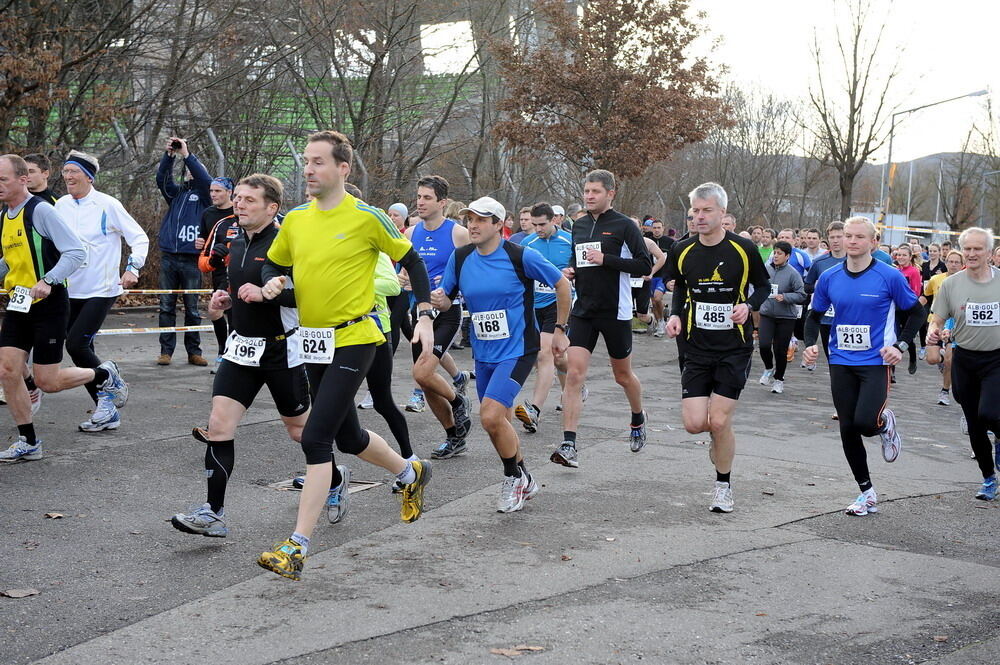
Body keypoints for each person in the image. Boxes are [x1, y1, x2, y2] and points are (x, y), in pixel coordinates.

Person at [254, 131, 434, 580]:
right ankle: (411, 472)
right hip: (313, 338)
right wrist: (274, 281)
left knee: (316, 438)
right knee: (350, 439)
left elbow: (411, 260)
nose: (308, 170)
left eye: (317, 162)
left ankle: (297, 546)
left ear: (342, 169)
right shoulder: (295, 220)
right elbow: (273, 262)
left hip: (356, 336)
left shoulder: (367, 217)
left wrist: (426, 311)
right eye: (306, 162)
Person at [171, 175, 310, 537]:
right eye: (238, 199)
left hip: (281, 348)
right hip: (241, 347)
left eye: (250, 200)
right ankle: (213, 512)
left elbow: (309, 297)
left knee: (300, 431)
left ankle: (331, 475)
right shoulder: (234, 240)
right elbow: (238, 287)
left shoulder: (289, 242)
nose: (240, 205)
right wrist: (226, 299)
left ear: (272, 207)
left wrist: (268, 295)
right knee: (218, 425)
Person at [433, 197, 572, 512]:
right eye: (470, 219)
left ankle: (512, 478)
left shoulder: (520, 255)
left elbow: (562, 285)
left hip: (519, 349)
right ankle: (524, 476)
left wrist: (561, 329)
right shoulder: (461, 257)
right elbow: (447, 300)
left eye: (481, 220)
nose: (473, 225)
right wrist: (438, 299)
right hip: (484, 353)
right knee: (499, 423)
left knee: (491, 416)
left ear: (499, 224)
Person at [0, 154, 128, 462]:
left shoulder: (41, 210)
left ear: (22, 179)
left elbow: (75, 252)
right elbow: (10, 260)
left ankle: (102, 373)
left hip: (50, 303)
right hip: (19, 302)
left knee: (48, 381)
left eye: (3, 179)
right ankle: (28, 441)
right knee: (7, 370)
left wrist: (49, 279)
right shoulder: (4, 215)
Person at [802, 217, 924, 516]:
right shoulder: (829, 277)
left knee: (865, 423)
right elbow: (813, 316)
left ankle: (884, 424)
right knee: (847, 427)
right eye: (847, 236)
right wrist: (809, 345)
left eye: (859, 236)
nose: (852, 241)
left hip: (875, 361)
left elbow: (917, 314)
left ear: (873, 242)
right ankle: (866, 493)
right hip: (840, 359)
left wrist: (901, 346)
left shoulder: (889, 276)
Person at [665, 182, 771, 513]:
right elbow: (680, 288)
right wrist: (674, 316)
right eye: (694, 211)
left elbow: (764, 285)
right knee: (696, 424)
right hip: (695, 346)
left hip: (733, 347)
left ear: (722, 213)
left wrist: (748, 305)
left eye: (706, 210)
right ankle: (718, 437)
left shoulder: (743, 249)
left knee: (720, 421)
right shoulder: (682, 250)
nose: (698, 217)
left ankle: (722, 486)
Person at [550, 169, 652, 469]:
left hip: (615, 311)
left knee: (622, 376)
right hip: (584, 310)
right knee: (575, 375)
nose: (589, 196)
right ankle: (569, 444)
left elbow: (643, 265)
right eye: (586, 191)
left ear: (610, 193)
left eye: (595, 191)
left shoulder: (623, 226)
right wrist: (571, 270)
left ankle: (637, 417)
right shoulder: (579, 226)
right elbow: (577, 258)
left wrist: (606, 260)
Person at [55, 151, 148, 432]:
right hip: (69, 289)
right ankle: (105, 407)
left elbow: (139, 237)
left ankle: (109, 377)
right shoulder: (60, 205)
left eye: (73, 172)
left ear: (88, 176)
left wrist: (133, 267)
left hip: (101, 288)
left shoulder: (108, 205)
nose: (68, 177)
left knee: (76, 345)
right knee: (84, 350)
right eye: (65, 172)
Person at [928, 227, 1000, 501]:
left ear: (990, 252)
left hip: (996, 358)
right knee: (973, 422)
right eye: (967, 248)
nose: (971, 253)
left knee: (990, 413)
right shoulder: (951, 284)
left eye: (977, 248)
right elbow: (936, 319)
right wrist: (935, 333)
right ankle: (988, 478)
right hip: (964, 358)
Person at [405, 175, 473, 459]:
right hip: (418, 313)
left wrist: (448, 287)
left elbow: (472, 269)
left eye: (427, 197)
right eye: (419, 197)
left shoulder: (457, 233)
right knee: (425, 380)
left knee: (422, 372)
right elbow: (403, 273)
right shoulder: (410, 234)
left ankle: (459, 401)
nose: (420, 202)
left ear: (442, 203)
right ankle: (453, 436)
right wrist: (403, 279)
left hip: (446, 312)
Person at [516, 202, 575, 432]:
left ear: (554, 220)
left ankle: (535, 410)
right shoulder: (527, 243)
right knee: (559, 356)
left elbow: (580, 267)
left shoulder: (568, 241)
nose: (538, 228)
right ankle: (572, 386)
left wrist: (573, 272)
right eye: (535, 224)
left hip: (558, 304)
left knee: (545, 353)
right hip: (534, 304)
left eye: (542, 224)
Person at [155, 137, 211, 367]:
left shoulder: (207, 197)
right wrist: (169, 156)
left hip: (191, 260)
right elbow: (162, 179)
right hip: (169, 257)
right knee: (166, 306)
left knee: (192, 308)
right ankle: (166, 351)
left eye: (193, 170)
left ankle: (194, 351)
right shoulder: (177, 194)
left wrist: (187, 154)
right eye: (187, 170)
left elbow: (205, 180)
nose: (190, 173)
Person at [196, 177, 236, 370]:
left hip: (243, 271)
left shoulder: (242, 213)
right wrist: (202, 246)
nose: (213, 194)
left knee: (236, 315)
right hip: (219, 271)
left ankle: (233, 355)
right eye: (211, 191)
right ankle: (223, 351)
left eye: (218, 191)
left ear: (230, 192)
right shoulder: (211, 215)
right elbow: (204, 241)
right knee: (215, 310)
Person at [757, 242, 806, 394]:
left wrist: (785, 297)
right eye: (775, 252)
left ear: (787, 256)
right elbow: (760, 286)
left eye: (779, 253)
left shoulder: (793, 273)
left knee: (780, 350)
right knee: (764, 345)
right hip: (767, 314)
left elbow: (802, 294)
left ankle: (779, 380)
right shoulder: (766, 269)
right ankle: (768, 368)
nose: (776, 256)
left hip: (786, 317)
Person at [803, 221, 847, 367]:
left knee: (847, 356)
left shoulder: (855, 260)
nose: (835, 241)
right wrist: (816, 286)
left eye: (839, 237)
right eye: (832, 237)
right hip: (825, 316)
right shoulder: (819, 262)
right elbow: (807, 287)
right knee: (832, 357)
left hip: (849, 316)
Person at [923, 250, 964, 406]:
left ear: (962, 265)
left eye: (956, 262)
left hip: (954, 322)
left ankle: (945, 391)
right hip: (936, 320)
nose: (953, 265)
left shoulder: (966, 281)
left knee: (949, 360)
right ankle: (941, 359)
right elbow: (925, 296)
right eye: (950, 261)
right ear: (945, 263)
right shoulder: (937, 279)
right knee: (932, 359)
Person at [918, 243, 947, 359]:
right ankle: (923, 346)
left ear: (939, 252)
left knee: (933, 321)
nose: (932, 253)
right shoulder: (924, 265)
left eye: (935, 251)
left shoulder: (943, 266)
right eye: (930, 251)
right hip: (926, 294)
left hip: (936, 296)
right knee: (922, 320)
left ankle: (940, 345)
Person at [648, 219, 674, 337]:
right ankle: (659, 322)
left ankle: (662, 321)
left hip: (663, 276)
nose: (657, 230)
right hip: (650, 276)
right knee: (653, 302)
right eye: (654, 228)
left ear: (663, 228)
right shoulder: (647, 241)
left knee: (658, 298)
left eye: (659, 227)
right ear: (651, 229)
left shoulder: (669, 242)